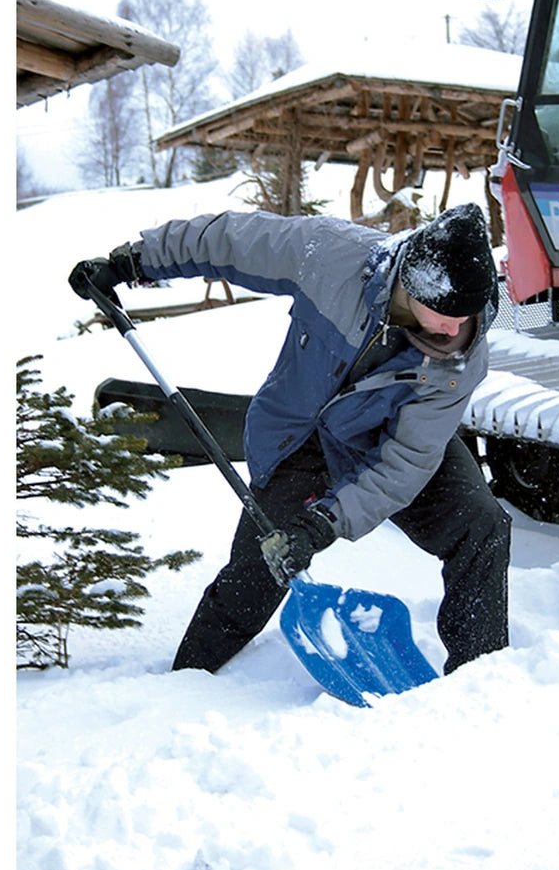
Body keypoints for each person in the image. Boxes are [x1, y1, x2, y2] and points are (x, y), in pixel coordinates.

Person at [69, 202, 511, 677]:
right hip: (300, 437)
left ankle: (480, 677)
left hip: (387, 442)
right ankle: (186, 682)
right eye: (445, 314)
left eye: (467, 316)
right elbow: (232, 240)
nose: (455, 329)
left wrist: (323, 523)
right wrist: (133, 262)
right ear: (413, 285)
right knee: (254, 574)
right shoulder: (333, 258)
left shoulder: (462, 358)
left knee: (481, 526)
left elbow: (405, 461)